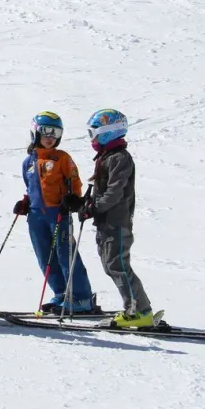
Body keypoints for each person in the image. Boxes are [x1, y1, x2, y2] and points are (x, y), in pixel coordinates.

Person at [61, 109, 155, 328]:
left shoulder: (120, 158)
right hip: (107, 222)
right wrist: (84, 204)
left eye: (93, 133)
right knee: (112, 266)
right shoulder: (108, 157)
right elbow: (102, 193)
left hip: (117, 223)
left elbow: (114, 192)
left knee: (118, 265)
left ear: (107, 133)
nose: (91, 138)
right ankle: (138, 309)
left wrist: (93, 208)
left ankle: (139, 312)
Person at [13, 111, 95, 314]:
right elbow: (31, 186)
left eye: (55, 133)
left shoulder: (62, 158)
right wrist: (26, 202)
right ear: (35, 133)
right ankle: (61, 292)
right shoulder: (29, 162)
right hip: (36, 216)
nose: (50, 137)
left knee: (64, 254)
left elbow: (75, 181)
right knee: (44, 257)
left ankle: (81, 297)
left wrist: (74, 199)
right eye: (46, 132)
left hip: (58, 212)